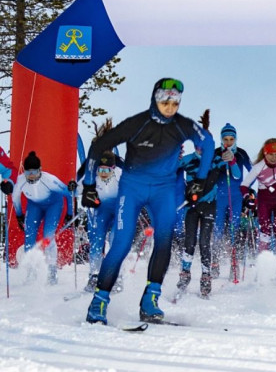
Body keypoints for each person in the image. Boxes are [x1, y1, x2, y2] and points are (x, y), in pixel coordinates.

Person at [84, 78, 214, 325]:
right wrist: (89, 184)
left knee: (164, 241)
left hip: (163, 190)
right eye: (164, 98)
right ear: (155, 97)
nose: (169, 105)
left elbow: (207, 142)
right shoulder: (137, 123)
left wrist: (200, 179)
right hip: (132, 189)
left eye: (175, 100)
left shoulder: (181, 126)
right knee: (121, 243)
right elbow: (99, 146)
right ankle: (99, 300)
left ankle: (150, 300)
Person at [10, 151, 70, 285]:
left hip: (53, 205)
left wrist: (70, 213)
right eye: (28, 173)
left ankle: (52, 272)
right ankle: (31, 273)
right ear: (24, 171)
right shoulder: (20, 181)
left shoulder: (49, 180)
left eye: (34, 172)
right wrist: (19, 215)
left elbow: (67, 193)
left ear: (40, 170)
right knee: (29, 238)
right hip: (34, 206)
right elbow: (16, 199)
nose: (31, 176)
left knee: (48, 236)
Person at [177, 131, 222, 298]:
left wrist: (230, 158)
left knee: (204, 241)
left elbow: (236, 172)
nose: (202, 149)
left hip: (209, 205)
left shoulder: (215, 160)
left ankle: (205, 276)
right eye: (199, 146)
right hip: (191, 206)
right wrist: (175, 154)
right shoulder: (188, 159)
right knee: (189, 241)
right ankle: (185, 273)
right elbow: (170, 168)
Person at [76, 150, 123, 293]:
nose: (102, 173)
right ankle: (94, 275)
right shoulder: (92, 177)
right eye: (100, 169)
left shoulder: (121, 175)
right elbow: (77, 189)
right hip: (101, 211)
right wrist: (73, 187)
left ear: (113, 168)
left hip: (117, 211)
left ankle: (116, 275)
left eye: (106, 170)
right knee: (96, 241)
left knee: (116, 241)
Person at [210, 123, 252, 280]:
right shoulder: (215, 153)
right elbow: (208, 172)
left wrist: (247, 189)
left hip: (235, 197)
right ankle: (215, 262)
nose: (228, 142)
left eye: (231, 139)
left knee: (234, 229)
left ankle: (234, 262)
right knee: (218, 228)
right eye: (225, 139)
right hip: (219, 197)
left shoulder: (241, 154)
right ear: (221, 139)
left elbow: (251, 172)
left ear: (235, 139)